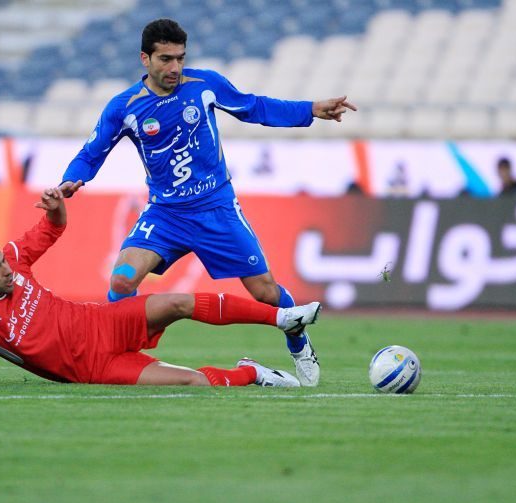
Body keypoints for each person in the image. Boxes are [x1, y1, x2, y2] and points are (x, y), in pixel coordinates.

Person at [58, 18, 356, 387]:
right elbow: (92, 152)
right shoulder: (125, 107)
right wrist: (71, 179)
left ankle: (299, 343)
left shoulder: (204, 85)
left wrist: (310, 109)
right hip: (166, 214)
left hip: (216, 209)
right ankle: (119, 352)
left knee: (265, 292)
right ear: (144, 59)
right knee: (122, 279)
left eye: (180, 58)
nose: (175, 67)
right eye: (166, 59)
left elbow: (254, 107)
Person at [0, 186, 321, 387]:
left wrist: (55, 206)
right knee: (193, 381)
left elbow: (53, 227)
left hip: (101, 321)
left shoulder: (15, 260)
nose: (6, 271)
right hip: (95, 367)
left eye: (3, 262)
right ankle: (253, 374)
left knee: (176, 302)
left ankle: (282, 318)